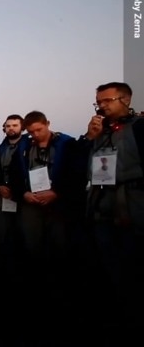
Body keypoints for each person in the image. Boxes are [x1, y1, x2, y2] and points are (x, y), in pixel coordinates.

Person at [80, 81, 144, 321]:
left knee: (134, 263)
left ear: (125, 100)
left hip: (134, 206)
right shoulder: (98, 132)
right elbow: (77, 169)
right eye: (98, 102)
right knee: (109, 264)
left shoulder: (139, 127)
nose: (102, 106)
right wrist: (89, 138)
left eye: (107, 101)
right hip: (101, 207)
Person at [7, 111, 85, 306]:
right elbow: (15, 176)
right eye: (31, 132)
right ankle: (36, 288)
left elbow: (77, 174)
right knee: (32, 245)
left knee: (59, 245)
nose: (35, 135)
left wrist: (57, 193)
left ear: (48, 124)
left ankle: (60, 288)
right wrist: (23, 193)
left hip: (58, 204)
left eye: (39, 130)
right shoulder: (23, 147)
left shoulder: (66, 145)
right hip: (31, 204)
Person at [0, 114, 30, 284]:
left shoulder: (29, 145)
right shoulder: (0, 149)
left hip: (25, 199)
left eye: (15, 125)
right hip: (4, 199)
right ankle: (6, 273)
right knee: (4, 235)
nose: (11, 128)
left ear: (22, 127)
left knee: (26, 235)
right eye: (8, 126)